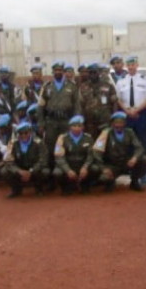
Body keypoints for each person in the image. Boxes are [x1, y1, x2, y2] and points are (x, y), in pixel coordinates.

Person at [38, 60, 82, 188]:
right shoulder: (47, 87)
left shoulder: (72, 86)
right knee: (51, 149)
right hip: (51, 122)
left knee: (67, 148)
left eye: (60, 71)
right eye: (55, 71)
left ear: (63, 72)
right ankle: (52, 180)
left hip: (66, 122)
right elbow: (40, 107)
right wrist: (41, 123)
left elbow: (77, 106)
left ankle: (68, 179)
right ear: (53, 72)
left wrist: (76, 122)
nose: (58, 72)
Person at [115, 55, 146, 180]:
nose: (131, 67)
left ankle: (144, 171)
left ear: (137, 65)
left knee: (143, 142)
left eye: (133, 65)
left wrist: (137, 110)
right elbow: (118, 99)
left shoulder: (145, 80)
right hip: (126, 115)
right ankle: (131, 170)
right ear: (127, 66)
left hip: (141, 114)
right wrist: (126, 111)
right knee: (128, 143)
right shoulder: (121, 81)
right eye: (129, 65)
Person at [91, 112, 146, 192]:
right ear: (112, 124)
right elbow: (97, 152)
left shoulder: (129, 132)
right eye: (116, 123)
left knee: (143, 159)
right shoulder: (105, 133)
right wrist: (103, 168)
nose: (119, 125)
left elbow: (139, 148)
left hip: (126, 162)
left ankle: (134, 181)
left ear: (125, 123)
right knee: (102, 175)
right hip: (112, 165)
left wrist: (134, 158)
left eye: (121, 122)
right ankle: (110, 182)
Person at [52, 115, 99, 194]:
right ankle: (66, 187)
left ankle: (85, 186)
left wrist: (85, 167)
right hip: (69, 165)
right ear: (70, 127)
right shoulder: (62, 138)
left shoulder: (88, 138)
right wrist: (68, 170)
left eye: (79, 126)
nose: (77, 128)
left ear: (83, 127)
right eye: (74, 126)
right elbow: (59, 157)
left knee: (96, 169)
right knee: (57, 172)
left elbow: (90, 155)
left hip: (82, 165)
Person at [1, 122, 50, 198]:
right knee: (4, 171)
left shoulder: (39, 142)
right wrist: (19, 171)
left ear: (30, 132)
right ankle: (16, 190)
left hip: (34, 168)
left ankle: (39, 189)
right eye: (20, 133)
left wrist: (31, 171)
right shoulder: (12, 143)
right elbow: (8, 161)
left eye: (26, 133)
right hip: (20, 168)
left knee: (45, 171)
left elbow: (43, 160)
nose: (23, 135)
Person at [80, 63, 118, 139]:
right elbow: (80, 105)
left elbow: (114, 103)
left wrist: (114, 118)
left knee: (106, 143)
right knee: (91, 144)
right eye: (90, 72)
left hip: (105, 121)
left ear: (99, 73)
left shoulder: (108, 85)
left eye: (95, 72)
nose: (93, 74)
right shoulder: (83, 87)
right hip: (89, 123)